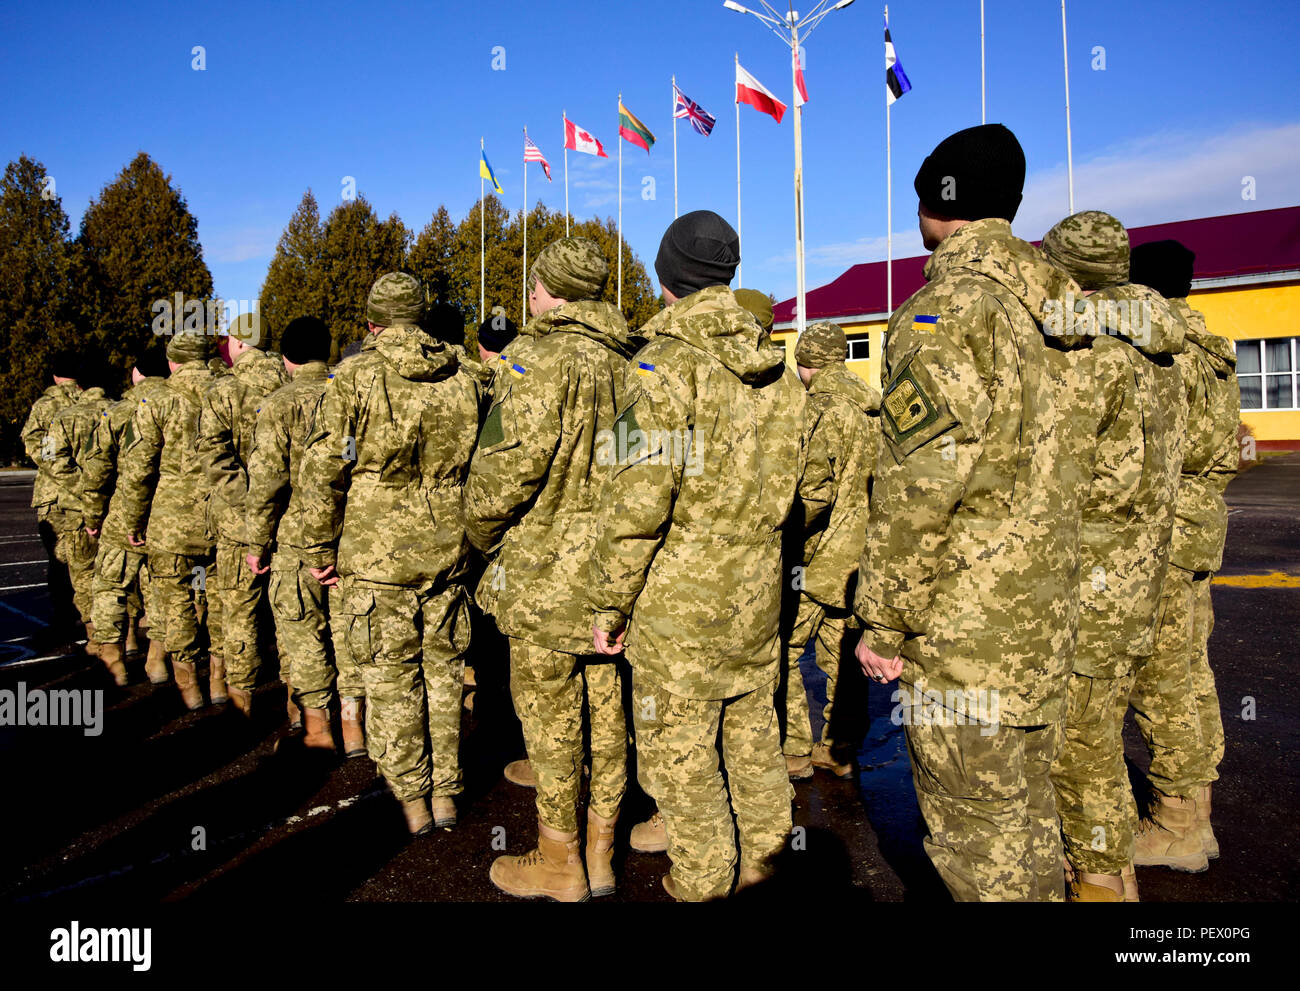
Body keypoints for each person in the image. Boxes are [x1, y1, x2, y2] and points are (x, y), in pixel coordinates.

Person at [853, 124, 1088, 901]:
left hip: (965, 633)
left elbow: (919, 488)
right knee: (1028, 826)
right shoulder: (1066, 312)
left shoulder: (944, 312)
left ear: (934, 204)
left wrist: (884, 622)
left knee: (977, 848)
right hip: (1046, 621)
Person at [588, 211, 808, 901]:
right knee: (751, 733)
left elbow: (635, 503)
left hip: (680, 600)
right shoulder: (778, 370)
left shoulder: (660, 366)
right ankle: (764, 863)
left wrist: (609, 602)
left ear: (666, 275)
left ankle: (705, 883)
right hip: (756, 589)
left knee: (682, 755)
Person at [464, 236, 634, 901]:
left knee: (552, 720)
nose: (528, 298)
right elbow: (636, 466)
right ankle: (602, 851)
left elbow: (505, 470)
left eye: (533, 287)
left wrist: (476, 534)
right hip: (613, 574)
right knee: (608, 707)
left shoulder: (534, 358)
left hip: (542, 579)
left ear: (552, 290)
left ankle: (562, 860)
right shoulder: (633, 364)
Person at [297, 272, 482, 836]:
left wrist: (316, 546)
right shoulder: (463, 373)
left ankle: (412, 797)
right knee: (444, 673)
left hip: (377, 552)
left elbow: (326, 466)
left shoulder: (355, 375)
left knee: (391, 676)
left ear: (373, 322)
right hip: (448, 546)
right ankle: (446, 791)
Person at [1040, 212, 1187, 901]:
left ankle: (1100, 882)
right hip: (1141, 574)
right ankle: (1113, 871)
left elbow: (1049, 476)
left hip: (1090, 583)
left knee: (1080, 743)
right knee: (1098, 729)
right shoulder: (1163, 349)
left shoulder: (1087, 352)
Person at [1129, 240, 1239, 872]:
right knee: (1191, 671)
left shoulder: (1162, 354)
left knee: (1160, 676)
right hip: (1200, 524)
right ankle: (1196, 809)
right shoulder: (1211, 350)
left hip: (1164, 531)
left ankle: (1177, 828)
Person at [246, 316, 364, 753]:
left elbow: (266, 482)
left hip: (295, 540)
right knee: (348, 633)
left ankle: (319, 731)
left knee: (304, 634)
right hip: (348, 534)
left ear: (285, 357)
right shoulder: (349, 393)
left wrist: (256, 543)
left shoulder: (278, 403)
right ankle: (355, 726)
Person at [782, 321, 880, 781]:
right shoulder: (874, 407)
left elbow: (814, 491)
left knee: (781, 647)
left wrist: (781, 528)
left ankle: (794, 748)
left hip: (819, 556)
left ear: (808, 362)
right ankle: (838, 748)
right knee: (841, 651)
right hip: (860, 558)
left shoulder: (822, 409)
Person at [116, 326, 221, 710]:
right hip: (221, 512)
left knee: (175, 599)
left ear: (173, 362)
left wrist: (132, 520)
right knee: (217, 597)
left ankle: (188, 683)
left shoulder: (157, 400)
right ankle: (221, 681)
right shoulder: (231, 391)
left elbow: (138, 467)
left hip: (171, 517)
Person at [199, 313, 288, 717]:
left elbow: (215, 458)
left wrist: (250, 505)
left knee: (239, 614)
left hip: (239, 527)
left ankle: (241, 704)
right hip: (291, 522)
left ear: (236, 343)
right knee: (295, 620)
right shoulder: (294, 384)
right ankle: (302, 712)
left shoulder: (223, 391)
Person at [82, 345, 174, 685]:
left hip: (124, 512)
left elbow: (96, 469)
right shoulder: (178, 405)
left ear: (138, 373)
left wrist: (93, 516)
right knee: (164, 589)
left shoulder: (119, 411)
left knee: (110, 585)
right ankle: (158, 659)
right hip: (168, 513)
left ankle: (114, 660)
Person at [44, 355, 115, 667]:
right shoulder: (122, 411)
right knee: (116, 577)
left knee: (84, 575)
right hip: (118, 505)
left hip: (75, 508)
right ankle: (123, 642)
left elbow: (49, 457)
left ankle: (99, 640)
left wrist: (81, 488)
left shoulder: (65, 417)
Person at [21, 350, 82, 649]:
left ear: (56, 376)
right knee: (89, 561)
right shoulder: (93, 399)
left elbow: (34, 444)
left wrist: (56, 464)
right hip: (89, 492)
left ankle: (64, 623)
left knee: (59, 563)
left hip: (55, 495)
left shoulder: (47, 404)